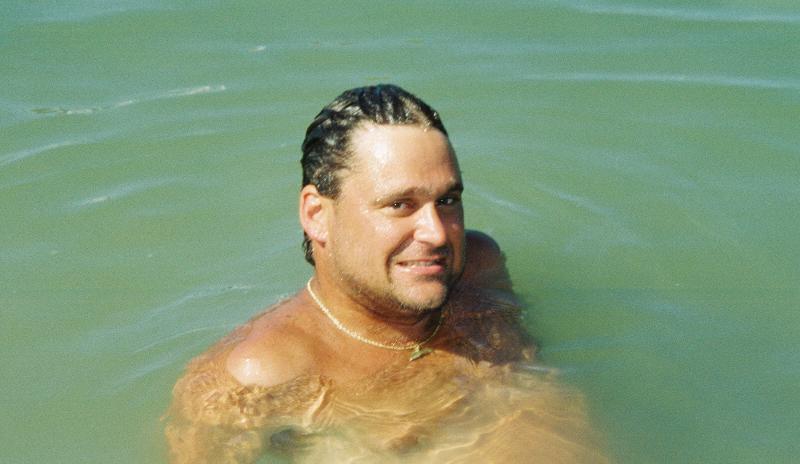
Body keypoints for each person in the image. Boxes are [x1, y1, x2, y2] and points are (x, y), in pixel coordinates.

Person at [165, 84, 606, 463]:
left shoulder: (477, 270)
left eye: (447, 200)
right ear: (317, 215)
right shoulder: (256, 376)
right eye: (399, 204)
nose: (437, 233)